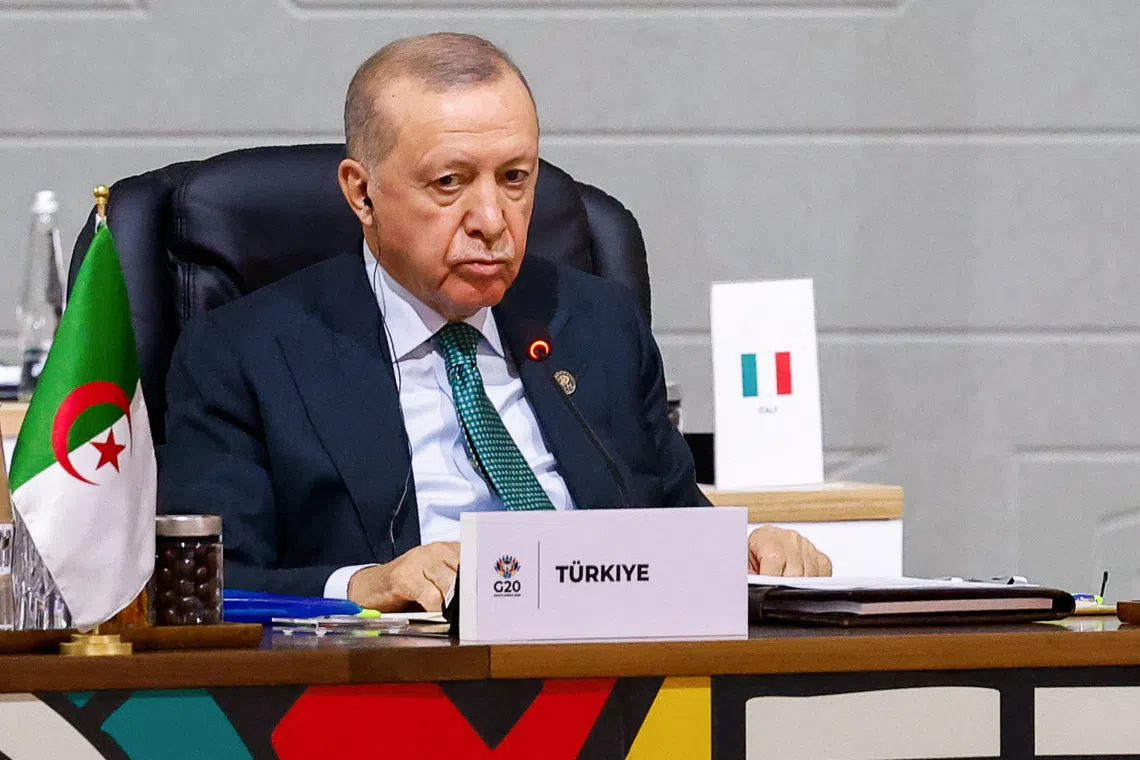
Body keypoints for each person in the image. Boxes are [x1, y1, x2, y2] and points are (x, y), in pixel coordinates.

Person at [159, 33, 831, 612]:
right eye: (449, 183)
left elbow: (671, 520)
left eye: (515, 178)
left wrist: (744, 551)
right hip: (390, 693)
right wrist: (363, 584)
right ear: (362, 192)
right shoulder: (245, 353)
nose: (491, 219)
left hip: (612, 674)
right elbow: (208, 583)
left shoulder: (597, 324)